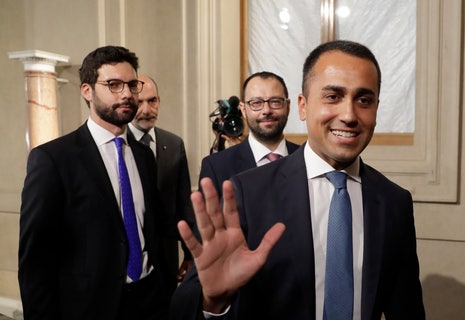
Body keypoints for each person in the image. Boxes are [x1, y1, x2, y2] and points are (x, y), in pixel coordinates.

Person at [170, 40, 425, 319]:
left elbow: (407, 307)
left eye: (364, 100)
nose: (349, 115)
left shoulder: (394, 201)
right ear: (303, 106)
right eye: (333, 97)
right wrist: (213, 301)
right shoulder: (248, 191)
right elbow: (183, 308)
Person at [19, 46, 173, 320]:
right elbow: (36, 261)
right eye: (113, 85)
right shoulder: (54, 160)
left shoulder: (143, 155)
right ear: (87, 91)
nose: (127, 93)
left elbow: (152, 230)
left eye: (131, 84)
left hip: (149, 301)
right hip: (89, 307)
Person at [128, 74, 195, 283]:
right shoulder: (118, 145)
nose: (147, 110)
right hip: (131, 261)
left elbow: (184, 204)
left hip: (167, 258)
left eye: (152, 101)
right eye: (139, 103)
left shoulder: (174, 143)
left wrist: (190, 253)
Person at [199, 71, 299, 195]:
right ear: (243, 109)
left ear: (288, 106)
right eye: (256, 103)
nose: (266, 110)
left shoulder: (307, 158)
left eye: (275, 101)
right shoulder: (216, 167)